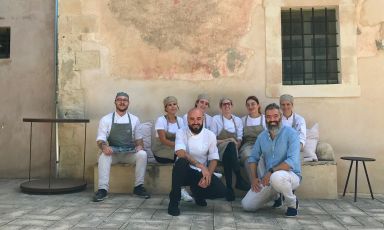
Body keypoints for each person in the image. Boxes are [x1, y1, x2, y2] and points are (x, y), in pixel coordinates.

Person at [241, 103, 301, 217]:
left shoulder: (291, 134)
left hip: (291, 176)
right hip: (269, 179)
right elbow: (253, 158)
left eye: (275, 116)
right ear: (265, 118)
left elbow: (292, 162)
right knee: (247, 205)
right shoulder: (262, 137)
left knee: (276, 177)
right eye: (268, 117)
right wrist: (253, 179)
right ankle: (276, 196)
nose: (272, 120)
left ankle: (292, 204)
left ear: (281, 116)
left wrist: (272, 171)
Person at [168, 108, 227, 216]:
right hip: (184, 172)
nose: (195, 122)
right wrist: (199, 164)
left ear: (203, 119)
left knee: (221, 191)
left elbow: (213, 158)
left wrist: (208, 174)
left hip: (201, 173)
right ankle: (174, 201)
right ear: (187, 120)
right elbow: (180, 153)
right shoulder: (181, 132)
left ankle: (198, 193)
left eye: (198, 119)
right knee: (181, 162)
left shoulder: (210, 135)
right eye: (192, 119)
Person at [93, 92, 150, 202]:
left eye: (125, 100)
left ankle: (138, 187)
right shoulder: (106, 119)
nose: (122, 102)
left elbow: (139, 139)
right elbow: (100, 139)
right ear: (115, 102)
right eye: (119, 100)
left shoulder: (134, 119)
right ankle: (102, 190)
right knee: (103, 157)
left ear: (128, 103)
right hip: (113, 153)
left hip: (129, 154)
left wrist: (139, 146)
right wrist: (104, 147)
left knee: (142, 154)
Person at [152, 96, 193, 202]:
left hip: (176, 150)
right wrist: (179, 148)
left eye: (174, 104)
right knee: (182, 157)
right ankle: (181, 189)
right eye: (169, 105)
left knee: (187, 155)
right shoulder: (161, 120)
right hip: (161, 151)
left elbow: (184, 137)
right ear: (165, 108)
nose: (172, 106)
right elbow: (163, 140)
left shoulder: (180, 120)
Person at [211, 97, 249, 201]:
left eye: (229, 104)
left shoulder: (237, 120)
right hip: (219, 146)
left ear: (232, 106)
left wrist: (234, 146)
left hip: (233, 149)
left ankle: (229, 189)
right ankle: (239, 179)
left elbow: (239, 139)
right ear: (220, 107)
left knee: (230, 152)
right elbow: (213, 139)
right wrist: (228, 140)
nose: (227, 106)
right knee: (230, 146)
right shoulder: (216, 119)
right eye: (224, 104)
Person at [239, 96, 266, 181]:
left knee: (261, 158)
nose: (250, 107)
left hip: (262, 144)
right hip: (248, 146)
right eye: (248, 105)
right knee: (248, 157)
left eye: (253, 104)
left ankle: (264, 185)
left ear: (258, 105)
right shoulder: (243, 120)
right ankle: (254, 184)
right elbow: (239, 136)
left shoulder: (265, 118)